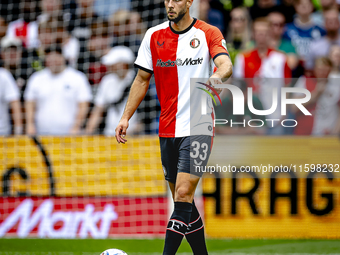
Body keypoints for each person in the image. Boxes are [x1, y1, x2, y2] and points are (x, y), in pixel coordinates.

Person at [115, 0, 232, 254]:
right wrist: (126, 117)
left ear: (189, 2)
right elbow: (142, 79)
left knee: (182, 194)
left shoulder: (208, 33)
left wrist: (215, 78)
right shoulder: (153, 35)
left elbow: (226, 65)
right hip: (168, 127)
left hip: (199, 124)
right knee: (184, 204)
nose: (170, 4)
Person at [234, 18, 292, 135]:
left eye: (264, 32)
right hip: (251, 118)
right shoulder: (242, 58)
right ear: (253, 34)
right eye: (258, 32)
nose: (261, 35)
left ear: (270, 34)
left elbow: (287, 87)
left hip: (275, 117)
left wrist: (284, 113)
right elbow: (239, 89)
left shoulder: (280, 59)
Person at [24, 46, 92, 135]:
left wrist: (76, 126)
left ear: (63, 58)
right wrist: (30, 125)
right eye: (49, 58)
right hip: (41, 133)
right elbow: (30, 103)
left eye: (56, 57)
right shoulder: (36, 78)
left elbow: (83, 105)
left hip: (70, 134)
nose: (53, 61)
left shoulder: (77, 77)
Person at [86, 46, 139, 135]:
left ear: (123, 64)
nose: (109, 66)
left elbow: (146, 117)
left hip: (134, 136)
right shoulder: (107, 81)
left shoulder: (138, 80)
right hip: (110, 134)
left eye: (113, 64)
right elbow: (98, 110)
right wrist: (88, 133)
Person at [292, 57, 340, 135]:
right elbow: (294, 107)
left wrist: (335, 132)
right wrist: (315, 94)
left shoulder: (336, 84)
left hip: (328, 133)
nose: (323, 73)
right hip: (305, 133)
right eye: (320, 69)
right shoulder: (304, 81)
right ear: (314, 69)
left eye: (325, 70)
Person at [0, 37, 23, 136]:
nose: (12, 54)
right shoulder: (4, 73)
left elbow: (16, 104)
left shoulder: (29, 73)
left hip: (4, 131)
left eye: (15, 50)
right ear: (2, 54)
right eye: (8, 51)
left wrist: (18, 130)